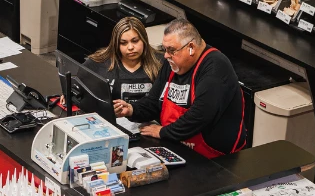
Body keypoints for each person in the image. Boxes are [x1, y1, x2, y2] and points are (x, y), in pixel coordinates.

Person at [112, 19, 247, 158]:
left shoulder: (215, 68)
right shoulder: (172, 63)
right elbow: (153, 101)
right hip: (177, 145)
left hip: (215, 159)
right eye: (164, 49)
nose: (165, 55)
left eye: (171, 50)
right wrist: (132, 109)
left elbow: (199, 116)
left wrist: (162, 132)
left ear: (191, 48)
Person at [85, 17, 163, 133]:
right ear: (116, 44)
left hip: (150, 129)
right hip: (109, 127)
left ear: (144, 40)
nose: (130, 47)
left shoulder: (162, 63)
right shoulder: (99, 62)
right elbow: (76, 80)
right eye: (123, 43)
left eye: (135, 41)